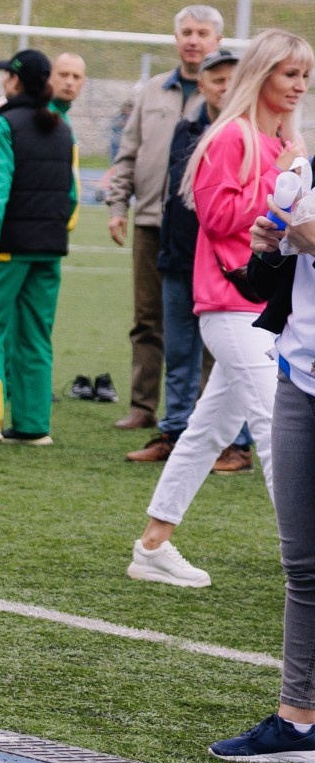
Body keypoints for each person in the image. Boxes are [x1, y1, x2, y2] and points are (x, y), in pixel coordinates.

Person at [127, 29, 312, 588]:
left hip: (258, 304)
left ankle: (153, 545)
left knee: (210, 429)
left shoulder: (283, 139)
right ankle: (303, 564)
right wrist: (279, 182)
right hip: (230, 302)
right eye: (289, 74)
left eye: (305, 75)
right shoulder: (231, 136)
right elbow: (215, 216)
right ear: (262, 74)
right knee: (277, 429)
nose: (299, 85)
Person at [210, 191, 315, 761]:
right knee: (301, 564)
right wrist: (270, 250)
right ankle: (297, 721)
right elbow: (261, 286)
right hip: (299, 378)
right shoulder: (306, 176)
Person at [109, 5, 227, 446]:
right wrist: (119, 204)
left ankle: (202, 410)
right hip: (151, 222)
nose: (193, 40)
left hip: (204, 230)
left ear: (217, 40)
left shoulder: (224, 92)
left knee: (208, 321)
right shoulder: (153, 90)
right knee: (148, 319)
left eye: (202, 33)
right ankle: (143, 406)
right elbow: (129, 151)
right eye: (186, 32)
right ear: (176, 38)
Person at [0, 50, 77, 445]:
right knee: (35, 335)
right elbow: (72, 194)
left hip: (7, 248)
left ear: (14, 82)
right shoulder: (62, 127)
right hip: (49, 247)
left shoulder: (1, 125)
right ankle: (33, 427)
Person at [142, 50, 244, 470]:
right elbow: (176, 199)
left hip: (230, 268)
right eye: (215, 80)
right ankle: (175, 432)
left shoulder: (249, 133)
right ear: (200, 86)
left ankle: (236, 444)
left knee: (235, 357)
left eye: (230, 80)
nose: (223, 87)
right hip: (181, 259)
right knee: (179, 353)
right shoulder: (185, 129)